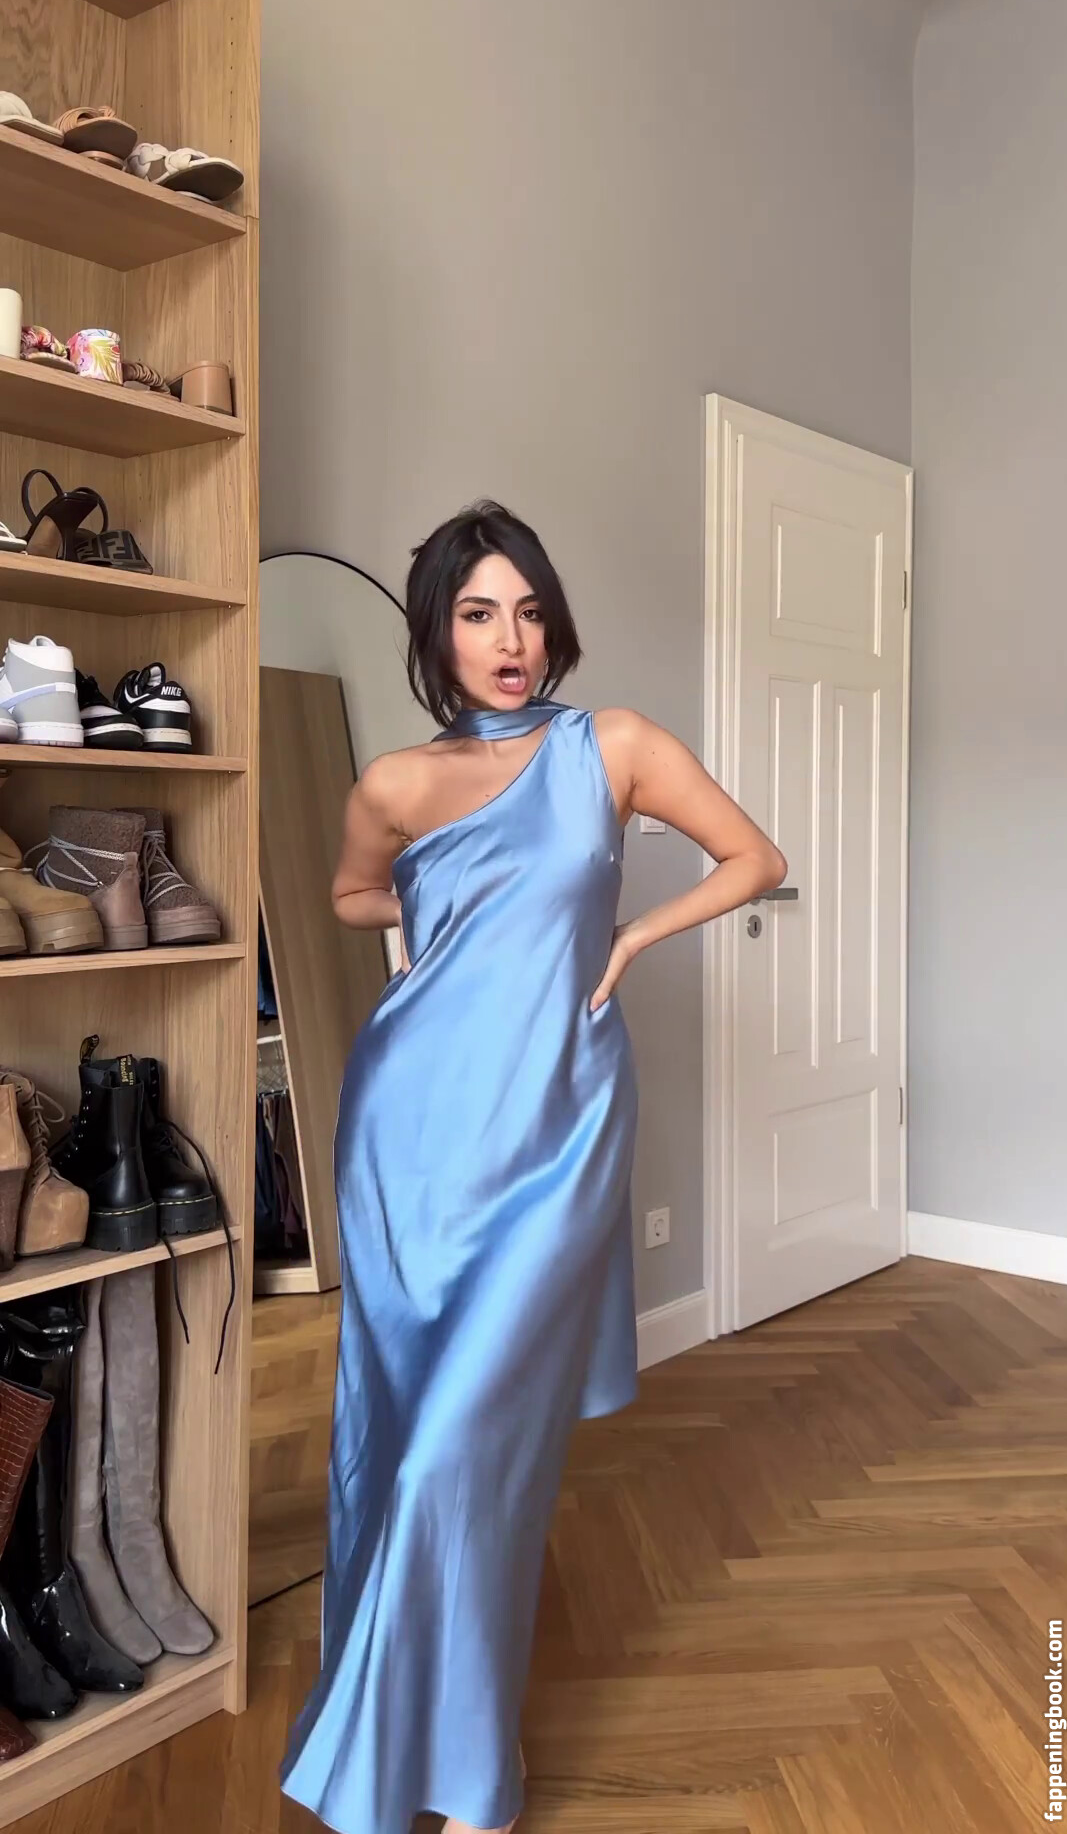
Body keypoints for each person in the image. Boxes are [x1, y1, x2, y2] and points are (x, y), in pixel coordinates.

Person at [281, 500, 786, 1834]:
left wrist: (631, 937)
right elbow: (350, 895)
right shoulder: (393, 784)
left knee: (459, 1451)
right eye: (477, 614)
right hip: (409, 1130)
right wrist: (437, 913)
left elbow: (756, 857)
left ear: (554, 625)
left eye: (529, 612)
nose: (510, 641)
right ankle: (424, 1744)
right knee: (405, 1437)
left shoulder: (612, 747)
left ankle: (466, 1779)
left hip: (559, 1127)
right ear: (437, 635)